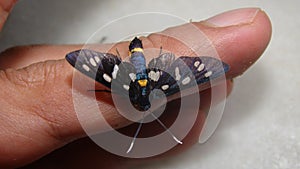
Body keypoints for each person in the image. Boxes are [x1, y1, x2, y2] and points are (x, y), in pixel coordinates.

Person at [0, 1, 272, 168]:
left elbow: (86, 64)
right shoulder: (151, 88)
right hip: (144, 63)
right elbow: (198, 70)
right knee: (194, 77)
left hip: (137, 62)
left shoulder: (124, 90)